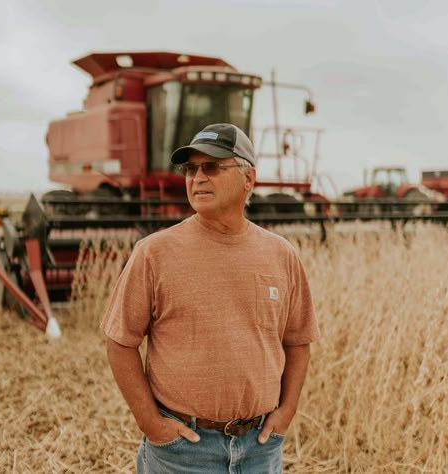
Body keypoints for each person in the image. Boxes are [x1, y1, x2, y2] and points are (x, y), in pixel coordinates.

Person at [101, 123, 320, 473]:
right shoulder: (154, 253)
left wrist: (287, 409)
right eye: (191, 168)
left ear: (249, 179)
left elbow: (298, 341)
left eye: (212, 167)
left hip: (260, 449)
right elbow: (120, 342)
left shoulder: (281, 254)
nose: (197, 177)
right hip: (182, 452)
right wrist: (150, 424)